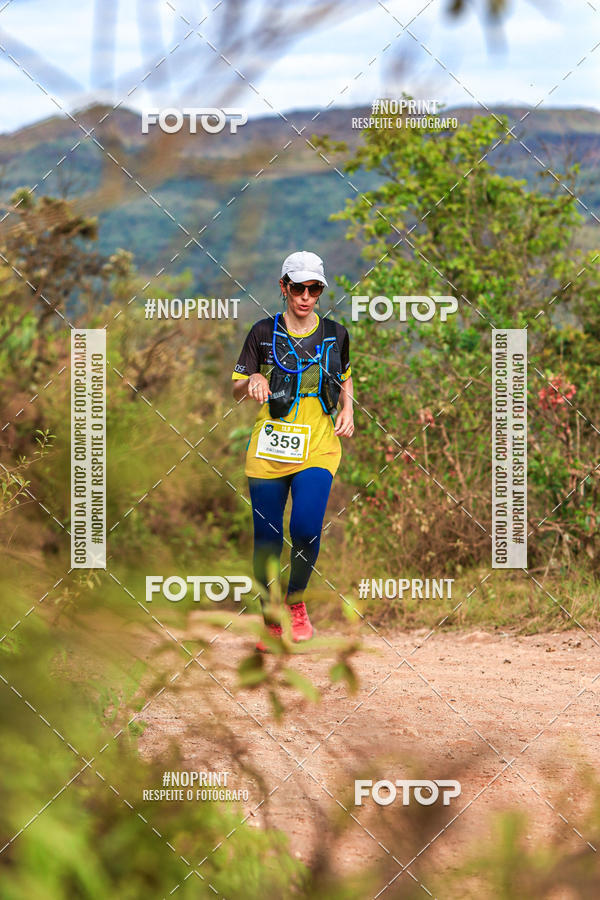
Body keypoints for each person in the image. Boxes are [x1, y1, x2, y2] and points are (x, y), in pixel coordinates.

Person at [232, 251, 354, 651]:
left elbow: (346, 374)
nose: (305, 296)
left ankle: (296, 601)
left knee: (304, 528)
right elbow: (235, 385)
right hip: (269, 445)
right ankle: (270, 619)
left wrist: (348, 408)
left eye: (314, 289)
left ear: (320, 291)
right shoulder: (262, 332)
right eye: (298, 288)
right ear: (283, 287)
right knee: (266, 539)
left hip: (318, 443)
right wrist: (251, 379)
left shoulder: (335, 332)